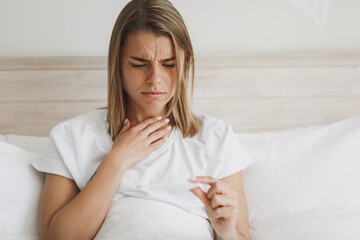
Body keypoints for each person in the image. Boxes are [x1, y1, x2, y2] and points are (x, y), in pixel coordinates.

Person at [30, 0, 253, 239]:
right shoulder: (71, 136)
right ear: (118, 65)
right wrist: (116, 161)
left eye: (169, 64)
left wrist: (227, 231)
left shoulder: (216, 137)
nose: (155, 79)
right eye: (139, 64)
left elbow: (240, 236)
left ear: (185, 63)